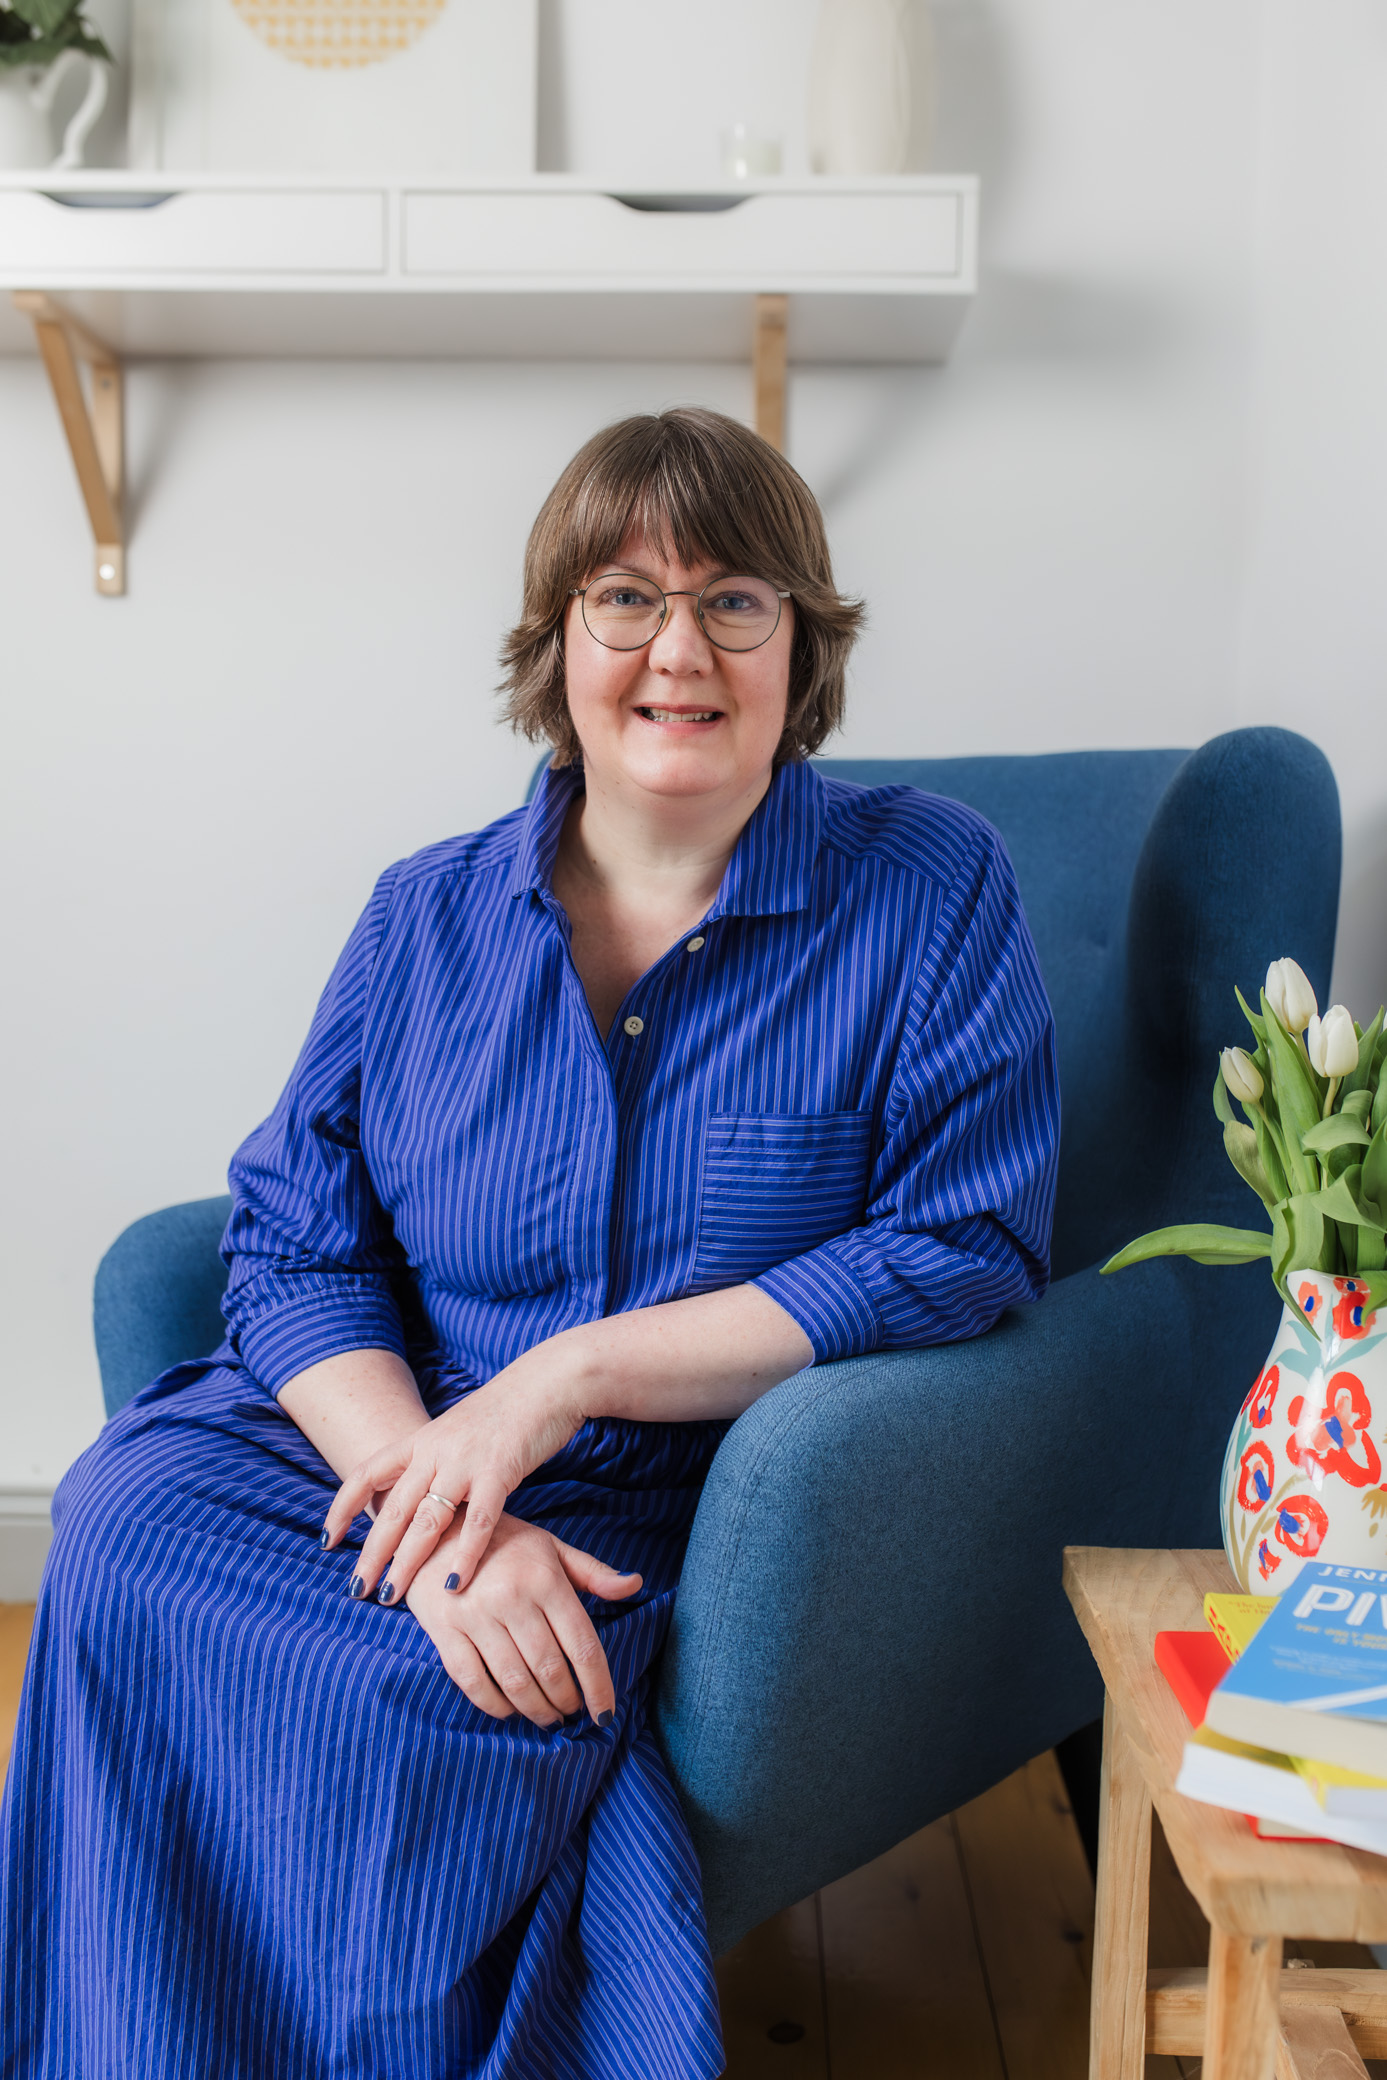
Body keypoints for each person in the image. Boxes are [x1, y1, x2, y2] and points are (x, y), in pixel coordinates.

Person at [0, 407, 1060, 2080]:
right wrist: (440, 1512)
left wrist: (568, 1380)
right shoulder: (423, 911)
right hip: (379, 1452)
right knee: (120, 1521)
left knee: (429, 1712)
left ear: (804, 644)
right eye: (624, 600)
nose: (678, 651)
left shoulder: (932, 890)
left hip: (650, 1495)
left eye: (736, 601)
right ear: (558, 646)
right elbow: (291, 1244)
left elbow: (964, 1241)